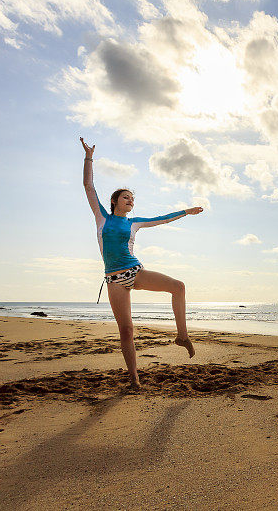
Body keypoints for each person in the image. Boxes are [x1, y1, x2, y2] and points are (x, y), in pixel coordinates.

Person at [81, 137, 203, 389]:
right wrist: (89, 157)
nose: (130, 200)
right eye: (126, 197)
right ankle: (134, 378)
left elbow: (162, 219)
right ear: (115, 201)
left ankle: (182, 336)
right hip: (114, 279)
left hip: (136, 272)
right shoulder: (101, 217)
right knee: (126, 330)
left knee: (178, 286)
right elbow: (88, 186)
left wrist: (185, 211)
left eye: (132, 198)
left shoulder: (133, 223)